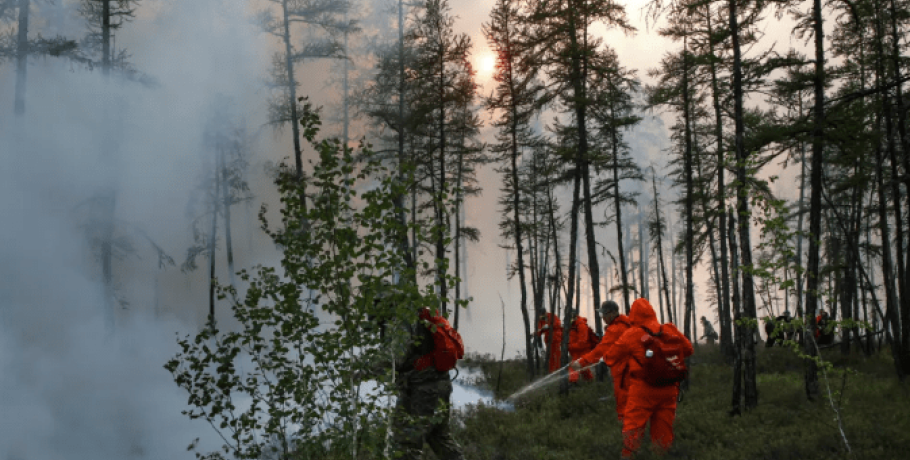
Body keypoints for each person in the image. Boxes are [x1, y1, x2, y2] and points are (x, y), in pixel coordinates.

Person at [360, 304, 465, 460]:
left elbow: (395, 358)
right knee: (439, 438)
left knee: (406, 443)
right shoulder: (412, 314)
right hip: (437, 385)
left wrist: (364, 370)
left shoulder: (401, 320)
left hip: (422, 389)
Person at [605, 298, 693, 458]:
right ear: (652, 312)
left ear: (633, 315)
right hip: (669, 391)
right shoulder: (669, 329)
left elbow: (610, 357)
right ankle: (660, 455)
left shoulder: (632, 334)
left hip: (642, 391)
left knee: (632, 430)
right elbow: (688, 349)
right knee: (663, 435)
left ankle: (628, 456)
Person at [569, 300, 632, 422]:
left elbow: (601, 349)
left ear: (613, 313)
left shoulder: (616, 329)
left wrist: (581, 362)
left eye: (604, 314)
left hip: (624, 372)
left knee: (624, 404)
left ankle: (627, 432)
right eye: (601, 314)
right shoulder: (625, 324)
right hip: (627, 370)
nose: (602, 317)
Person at [568, 314, 597, 382]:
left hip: (583, 350)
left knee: (574, 367)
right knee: (583, 367)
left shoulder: (581, 325)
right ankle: (589, 380)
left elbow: (582, 343)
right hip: (577, 351)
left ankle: (573, 383)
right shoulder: (574, 325)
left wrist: (570, 346)